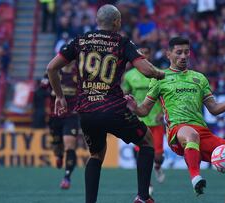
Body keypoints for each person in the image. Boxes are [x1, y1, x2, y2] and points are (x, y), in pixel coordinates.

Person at [46, 4, 165, 203]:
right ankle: (143, 196)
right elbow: (147, 70)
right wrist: (162, 73)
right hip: (113, 108)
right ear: (117, 22)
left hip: (87, 111)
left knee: (96, 155)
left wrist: (59, 96)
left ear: (97, 21)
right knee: (147, 141)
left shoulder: (80, 41)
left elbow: (51, 68)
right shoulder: (121, 41)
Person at [126, 37, 225, 203]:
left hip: (202, 133)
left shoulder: (199, 78)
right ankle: (195, 177)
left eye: (186, 52)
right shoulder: (159, 78)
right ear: (168, 54)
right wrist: (134, 107)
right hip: (178, 132)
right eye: (178, 52)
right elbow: (144, 110)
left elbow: (213, 109)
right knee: (191, 134)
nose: (183, 56)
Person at [122, 44, 166, 187]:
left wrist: (162, 112)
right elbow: (124, 94)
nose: (145, 55)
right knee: (141, 153)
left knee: (158, 157)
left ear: (151, 54)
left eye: (147, 52)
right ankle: (147, 184)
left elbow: (164, 96)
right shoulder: (129, 76)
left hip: (155, 120)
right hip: (139, 119)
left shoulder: (157, 73)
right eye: (142, 52)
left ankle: (158, 167)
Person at [42, 61, 79, 190]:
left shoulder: (79, 73)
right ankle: (59, 156)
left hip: (72, 115)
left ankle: (67, 177)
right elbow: (40, 91)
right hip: (55, 115)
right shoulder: (53, 73)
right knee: (57, 146)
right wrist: (50, 92)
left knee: (70, 145)